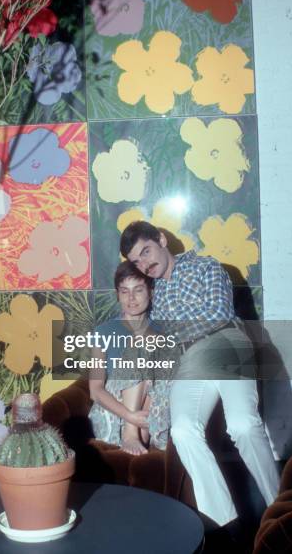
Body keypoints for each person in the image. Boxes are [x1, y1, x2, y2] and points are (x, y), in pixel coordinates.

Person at [120, 221, 279, 526]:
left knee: (243, 425)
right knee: (182, 431)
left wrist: (167, 334)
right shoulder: (157, 292)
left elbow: (217, 315)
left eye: (146, 252)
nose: (144, 264)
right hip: (190, 359)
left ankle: (281, 506)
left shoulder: (207, 267)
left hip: (226, 343)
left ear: (162, 240)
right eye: (137, 260)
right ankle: (224, 523)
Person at [88, 261, 172, 455]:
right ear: (117, 294)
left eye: (138, 290)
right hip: (113, 416)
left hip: (149, 416)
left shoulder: (163, 331)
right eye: (125, 291)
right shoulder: (103, 332)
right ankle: (130, 434)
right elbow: (95, 390)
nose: (131, 298)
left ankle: (137, 434)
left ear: (150, 292)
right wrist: (129, 417)